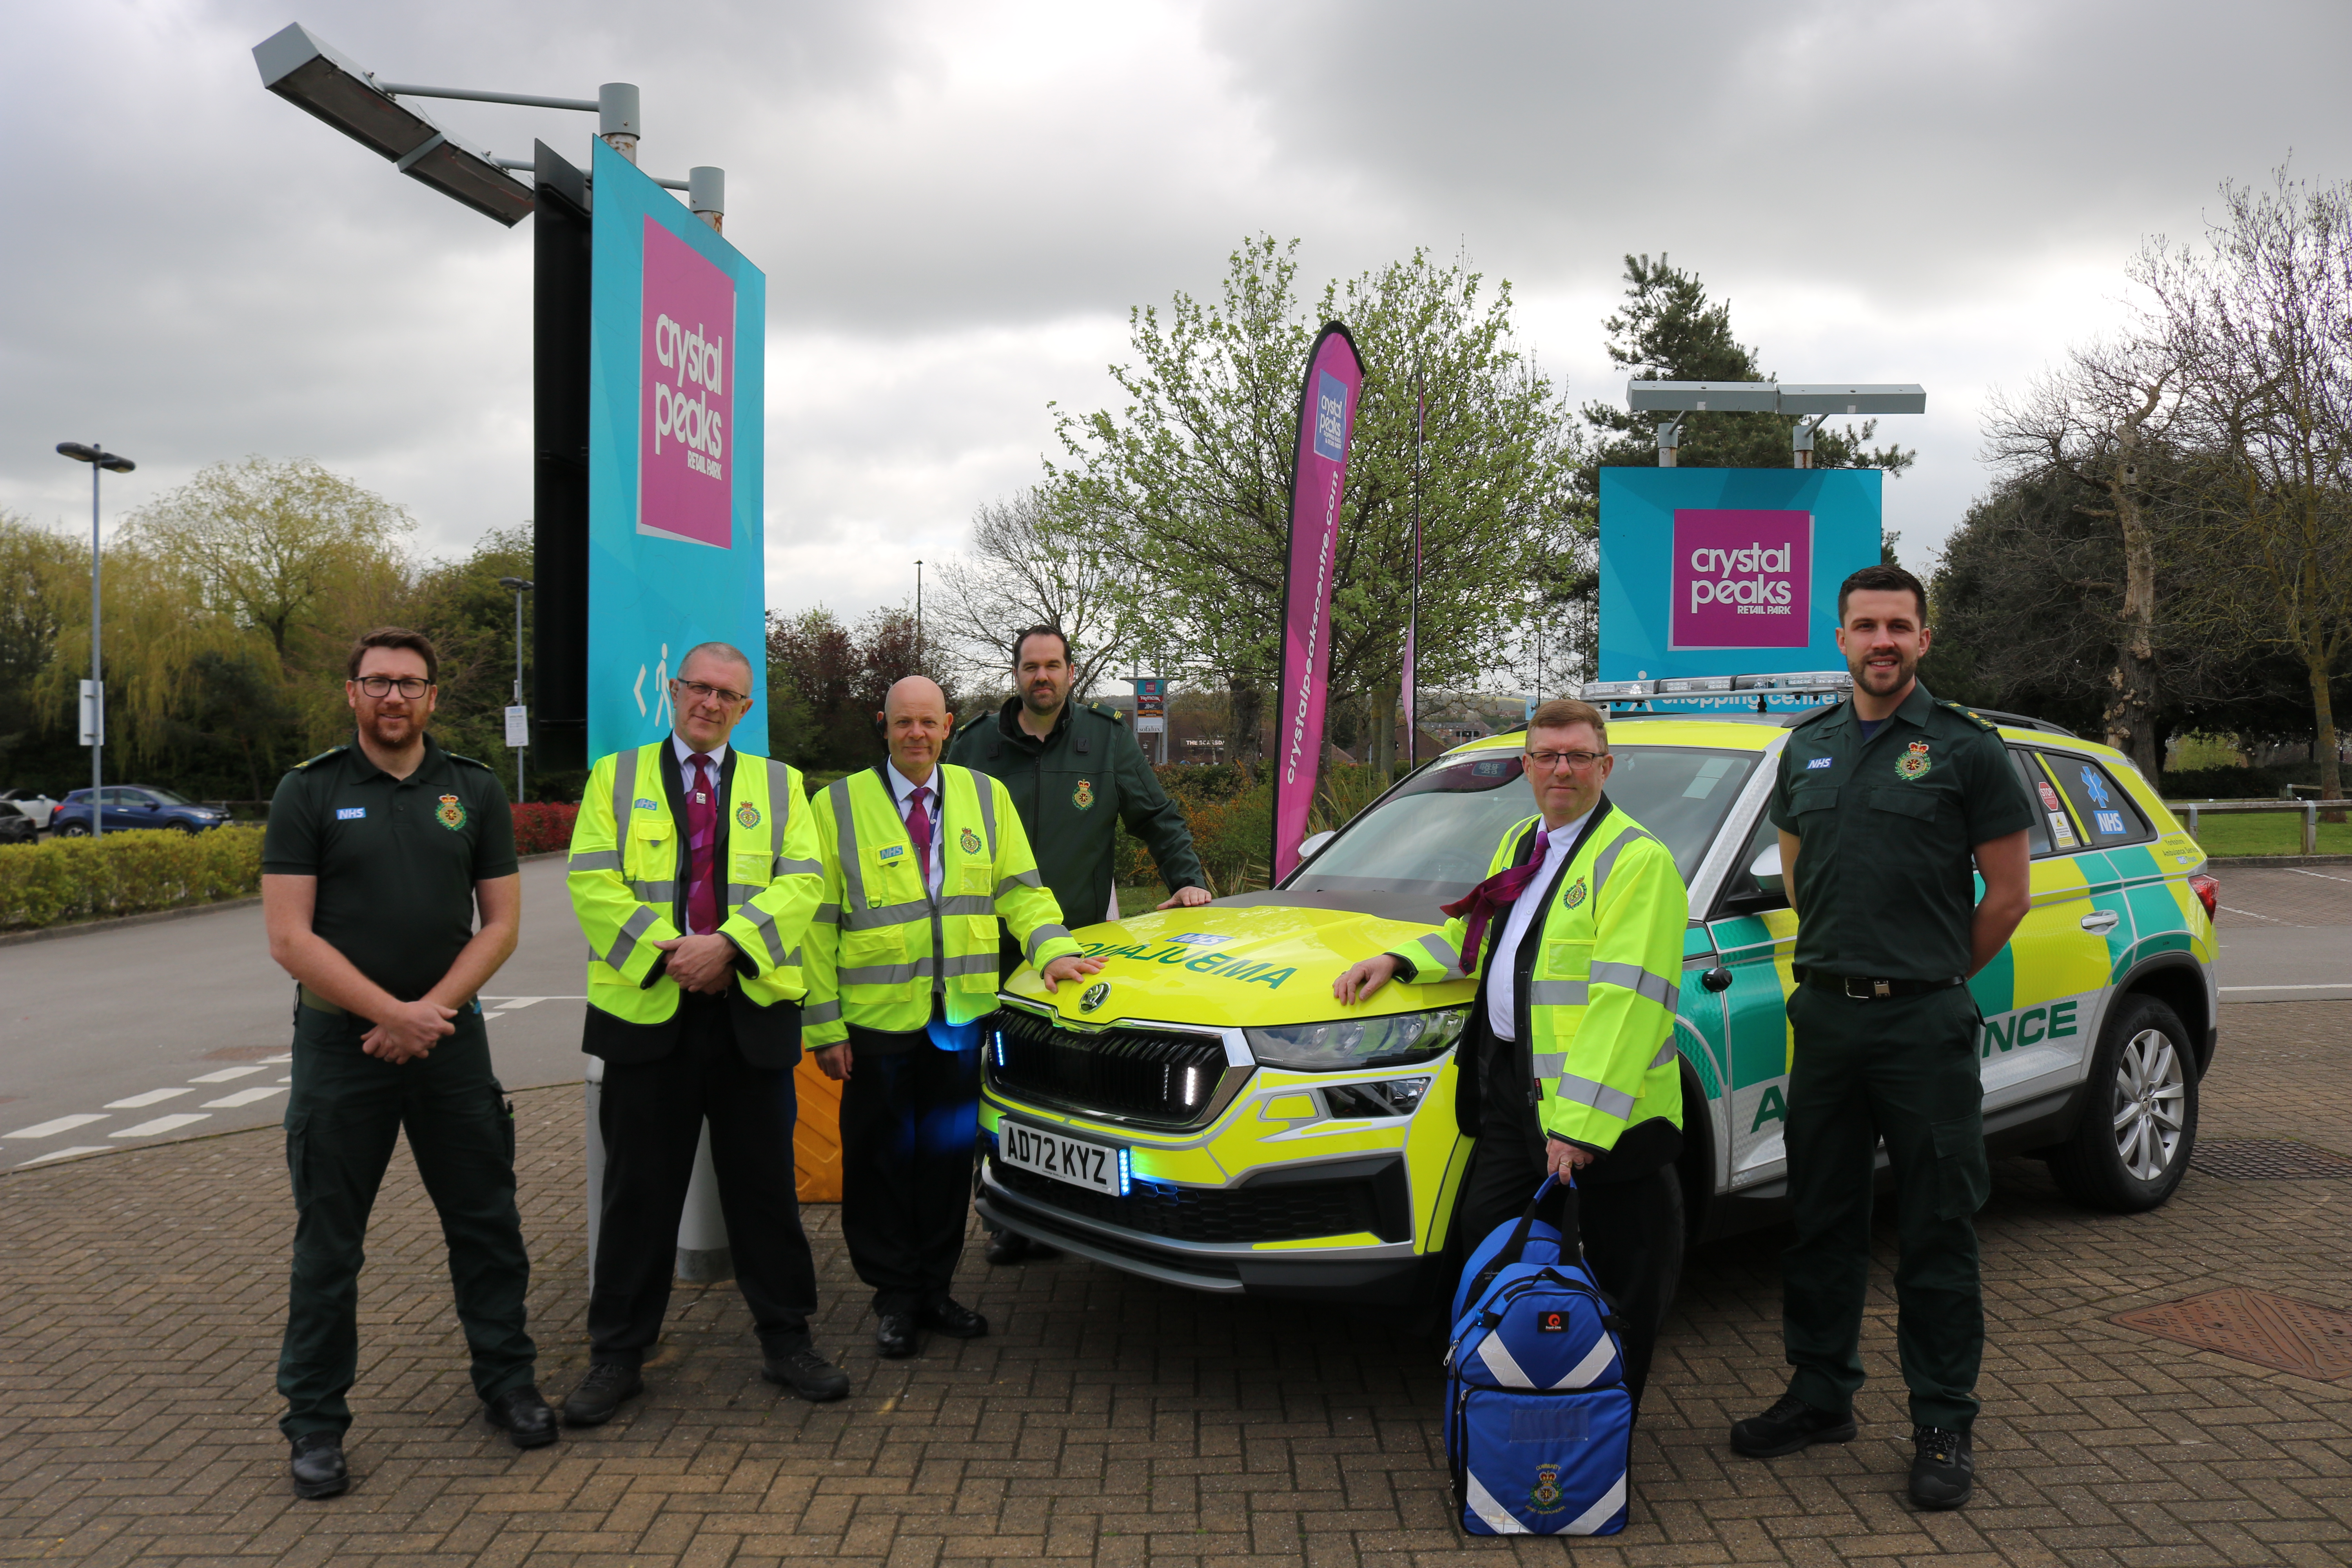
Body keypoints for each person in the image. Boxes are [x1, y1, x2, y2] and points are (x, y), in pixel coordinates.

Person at [1726, 563, 2032, 1512]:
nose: (1882, 640)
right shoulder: (1805, 748)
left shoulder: (1967, 750)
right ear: (1841, 636)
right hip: (1823, 1016)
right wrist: (1842, 974)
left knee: (1938, 1225)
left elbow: (2009, 894)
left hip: (1923, 1020)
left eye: (1899, 624)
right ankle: (1821, 1394)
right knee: (1820, 1216)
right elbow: (1798, 872)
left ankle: (1943, 1418)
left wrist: (1930, 973)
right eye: (1866, 625)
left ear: (1924, 638)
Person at [1332, 697, 1688, 1415]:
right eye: (1547, 756)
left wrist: (1581, 1129)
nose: (1562, 769)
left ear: (1604, 766)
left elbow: (1628, 1006)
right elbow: (1487, 945)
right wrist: (1400, 959)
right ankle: (1511, 1406)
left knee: (1620, 1279)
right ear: (1526, 767)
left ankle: (1604, 1427)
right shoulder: (1524, 842)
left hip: (1605, 1128)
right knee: (1490, 1247)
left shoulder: (1636, 861)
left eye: (1578, 756)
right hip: (1513, 1101)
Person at [261, 628, 552, 1500]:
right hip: (341, 1050)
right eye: (379, 682)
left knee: (487, 1225)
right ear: (352, 691)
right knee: (329, 1245)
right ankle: (314, 1418)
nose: (395, 698)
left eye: (412, 684)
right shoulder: (307, 790)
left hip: (451, 1045)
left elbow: (499, 923)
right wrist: (390, 1014)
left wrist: (432, 1015)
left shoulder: (474, 788)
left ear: (432, 696)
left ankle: (508, 1383)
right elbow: (289, 936)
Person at [560, 641, 847, 1426]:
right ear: (674, 690)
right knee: (636, 1194)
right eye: (699, 687)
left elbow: (805, 883)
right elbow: (591, 881)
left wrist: (730, 946)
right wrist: (678, 955)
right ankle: (618, 1355)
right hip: (647, 1014)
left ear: (745, 710)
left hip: (751, 1015)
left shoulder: (781, 785)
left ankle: (788, 1340)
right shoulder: (614, 779)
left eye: (728, 695)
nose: (710, 703)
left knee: (764, 1192)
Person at [806, 676, 1102, 1356]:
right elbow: (815, 927)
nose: (916, 734)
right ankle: (894, 1297)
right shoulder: (836, 806)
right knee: (881, 1164)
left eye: (928, 723)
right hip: (874, 1023)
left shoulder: (984, 798)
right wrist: (823, 1027)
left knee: (943, 1165)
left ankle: (935, 1289)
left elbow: (1022, 893)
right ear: (883, 725)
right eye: (902, 722)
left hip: (960, 1020)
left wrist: (1053, 949)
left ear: (947, 727)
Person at [946, 624, 1211, 1263]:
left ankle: (1065, 1212)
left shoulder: (1107, 741)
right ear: (1016, 674)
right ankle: (1008, 1213)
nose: (1043, 676)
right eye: (1031, 666)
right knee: (991, 1087)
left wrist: (1190, 882)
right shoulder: (975, 746)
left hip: (1075, 955)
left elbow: (1157, 816)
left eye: (1053, 666)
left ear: (1071, 672)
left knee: (1065, 1094)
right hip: (992, 951)